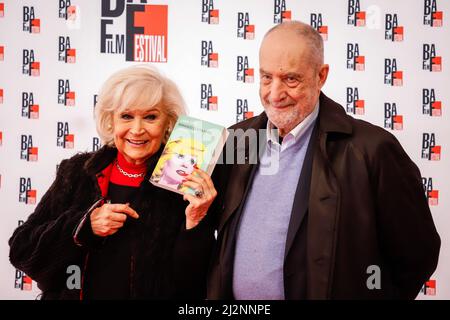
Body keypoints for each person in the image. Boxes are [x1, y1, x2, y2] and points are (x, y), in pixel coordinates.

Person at [207, 21, 441, 300]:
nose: (274, 94)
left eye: (290, 79)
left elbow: (416, 254)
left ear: (321, 76)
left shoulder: (372, 149)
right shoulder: (237, 139)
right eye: (267, 77)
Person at [9, 65, 217, 300]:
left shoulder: (183, 182)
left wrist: (196, 221)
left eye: (150, 117)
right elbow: (22, 250)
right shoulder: (77, 173)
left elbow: (195, 283)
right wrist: (84, 227)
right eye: (126, 116)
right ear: (111, 121)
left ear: (168, 122)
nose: (137, 130)